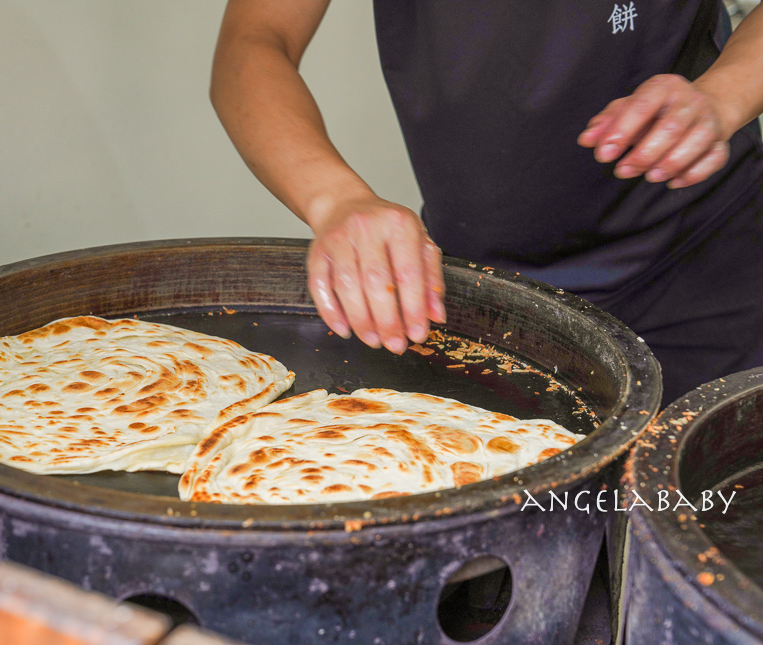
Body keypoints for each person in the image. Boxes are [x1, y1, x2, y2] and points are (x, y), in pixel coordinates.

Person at [210, 0, 763, 405]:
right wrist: (336, 199)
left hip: (703, 262)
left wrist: (725, 93)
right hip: (483, 288)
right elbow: (256, 39)